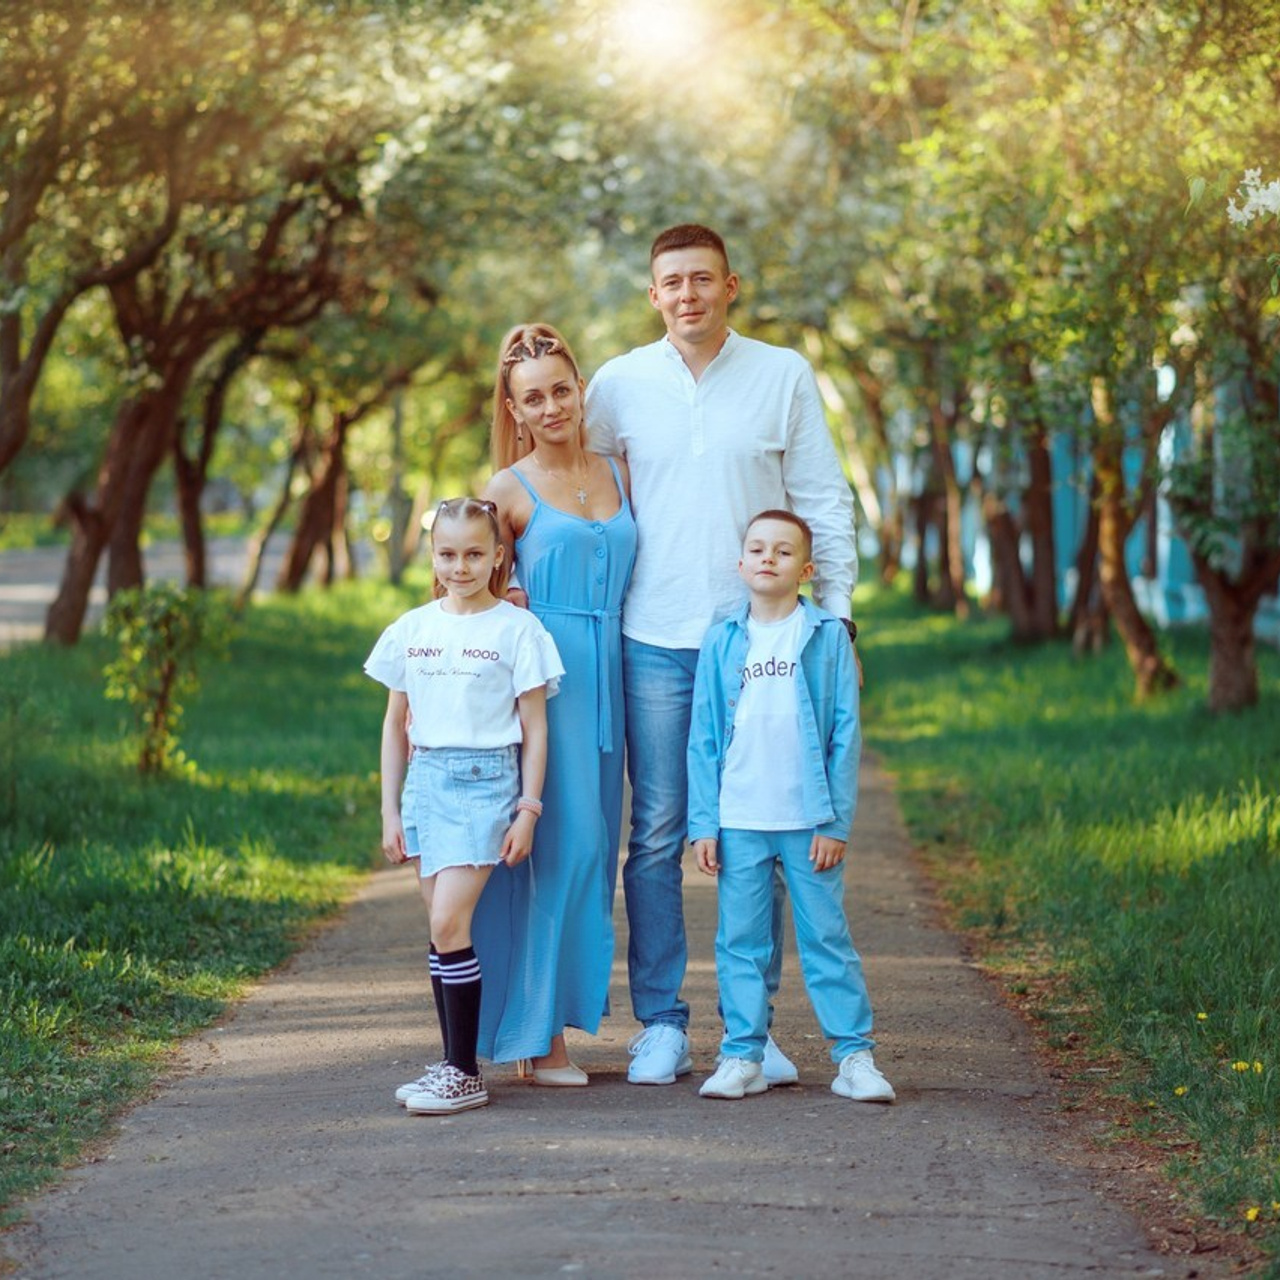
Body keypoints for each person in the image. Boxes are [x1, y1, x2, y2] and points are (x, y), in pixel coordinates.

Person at [585, 224, 858, 1086]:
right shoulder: (618, 385)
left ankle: (757, 1033)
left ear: (732, 286)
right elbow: (586, 500)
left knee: (765, 834)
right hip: (653, 640)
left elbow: (821, 497)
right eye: (672, 282)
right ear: (653, 294)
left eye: (703, 279)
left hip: (765, 640)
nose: (688, 295)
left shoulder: (781, 374)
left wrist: (838, 617)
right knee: (660, 833)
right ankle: (661, 1022)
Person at [473, 323, 637, 1083]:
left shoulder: (618, 471)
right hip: (551, 685)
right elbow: (462, 580)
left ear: (581, 390)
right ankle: (537, 1039)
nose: (551, 407)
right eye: (532, 398)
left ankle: (554, 1023)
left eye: (561, 390)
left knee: (598, 852)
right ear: (514, 408)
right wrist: (507, 593)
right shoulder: (508, 489)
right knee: (558, 852)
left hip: (618, 672)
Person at [365, 496, 564, 1114]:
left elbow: (536, 729)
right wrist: (390, 811)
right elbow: (396, 724)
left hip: (485, 786)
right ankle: (454, 1058)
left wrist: (528, 808)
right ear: (432, 555)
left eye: (475, 553)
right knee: (440, 928)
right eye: (448, 554)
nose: (460, 566)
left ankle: (463, 1072)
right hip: (425, 782)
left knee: (450, 923)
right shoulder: (412, 628)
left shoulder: (517, 629)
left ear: (498, 557)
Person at [688, 510, 893, 1103]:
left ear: (806, 569)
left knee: (826, 937)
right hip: (740, 820)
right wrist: (705, 822)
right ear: (741, 563)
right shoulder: (723, 639)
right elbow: (703, 737)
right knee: (741, 942)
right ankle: (742, 1056)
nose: (767, 559)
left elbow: (844, 735)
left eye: (782, 551)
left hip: (808, 822)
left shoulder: (825, 636)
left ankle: (854, 1057)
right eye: (756, 549)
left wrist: (835, 822)